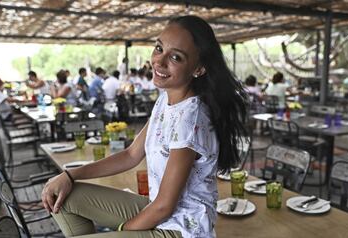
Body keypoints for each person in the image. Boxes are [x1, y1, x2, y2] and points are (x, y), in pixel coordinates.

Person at [41, 15, 248, 238]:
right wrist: (69, 175)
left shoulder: (190, 118)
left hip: (180, 229)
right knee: (61, 196)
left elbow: (164, 206)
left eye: (176, 57)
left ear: (198, 69)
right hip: (158, 211)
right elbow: (131, 155)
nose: (159, 61)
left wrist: (121, 231)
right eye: (159, 48)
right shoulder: (165, 101)